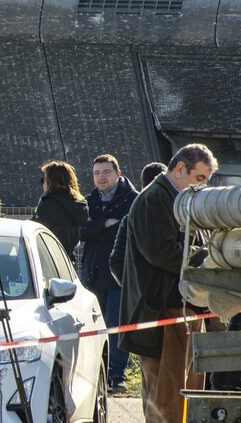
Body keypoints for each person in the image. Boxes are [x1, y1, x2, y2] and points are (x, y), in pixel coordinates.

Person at [121, 144, 217, 423]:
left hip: (183, 309)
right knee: (167, 399)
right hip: (163, 311)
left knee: (187, 396)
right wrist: (206, 260)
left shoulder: (179, 199)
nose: (202, 186)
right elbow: (161, 251)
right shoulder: (155, 199)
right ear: (180, 169)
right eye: (199, 178)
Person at [80, 154, 138, 393]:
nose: (101, 177)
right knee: (94, 326)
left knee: (116, 324)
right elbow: (81, 231)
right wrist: (105, 224)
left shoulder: (133, 199)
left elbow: (127, 231)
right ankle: (96, 374)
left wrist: (97, 229)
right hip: (93, 273)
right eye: (96, 173)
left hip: (120, 273)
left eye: (106, 172)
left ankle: (117, 375)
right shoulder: (88, 200)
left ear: (118, 173)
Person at [110, 162, 167, 286]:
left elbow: (116, 262)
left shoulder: (130, 219)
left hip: (141, 291)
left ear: (142, 186)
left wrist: (134, 288)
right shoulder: (179, 218)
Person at [31, 160, 88, 258]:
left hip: (49, 256)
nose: (43, 183)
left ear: (50, 182)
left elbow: (33, 230)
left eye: (43, 179)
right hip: (67, 258)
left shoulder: (49, 205)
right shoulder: (81, 205)